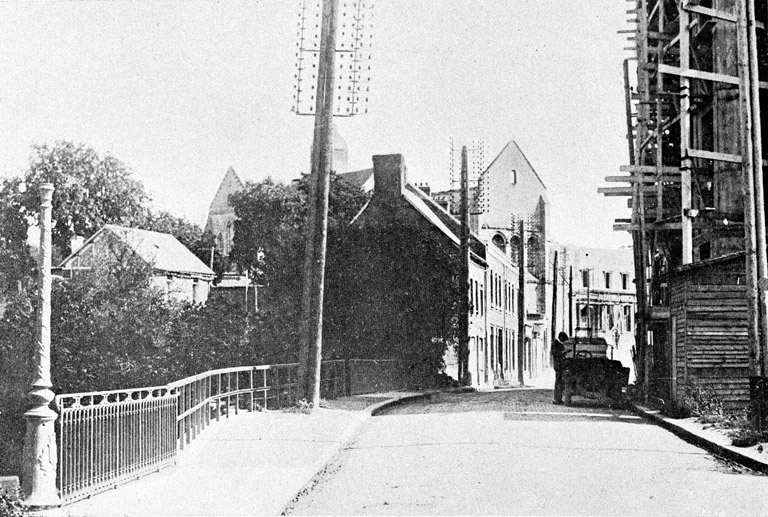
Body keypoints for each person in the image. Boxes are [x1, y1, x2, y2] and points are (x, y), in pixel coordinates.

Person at [552, 331, 569, 404]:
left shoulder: (559, 344)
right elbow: (555, 353)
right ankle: (556, 399)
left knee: (560, 383)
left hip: (561, 365)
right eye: (564, 339)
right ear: (561, 337)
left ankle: (559, 398)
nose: (564, 341)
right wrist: (565, 352)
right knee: (558, 382)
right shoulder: (555, 343)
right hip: (558, 365)